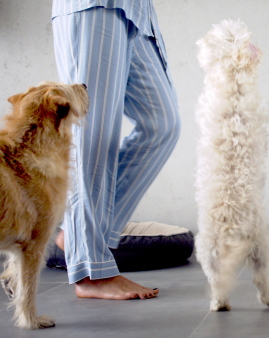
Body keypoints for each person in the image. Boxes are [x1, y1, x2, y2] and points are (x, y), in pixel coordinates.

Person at [51, 0, 181, 299]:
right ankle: (91, 274)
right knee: (93, 133)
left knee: (162, 124)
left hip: (137, 12)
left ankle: (78, 235)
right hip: (94, 6)